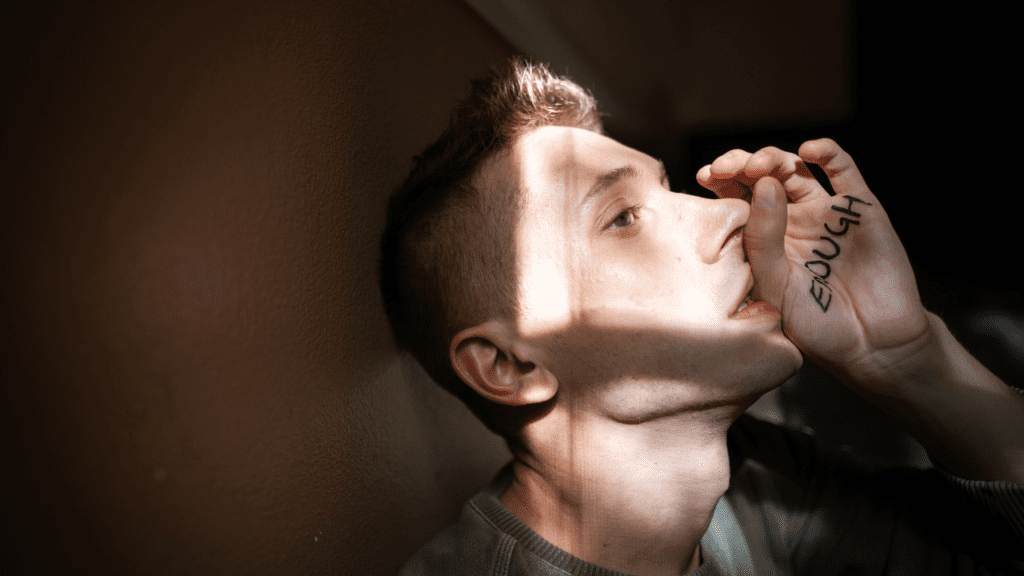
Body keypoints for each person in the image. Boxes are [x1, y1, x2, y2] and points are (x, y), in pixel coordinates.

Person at [380, 57, 1024, 575]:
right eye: (622, 219)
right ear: (510, 364)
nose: (734, 213)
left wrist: (907, 357)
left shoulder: (762, 484)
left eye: (667, 189)